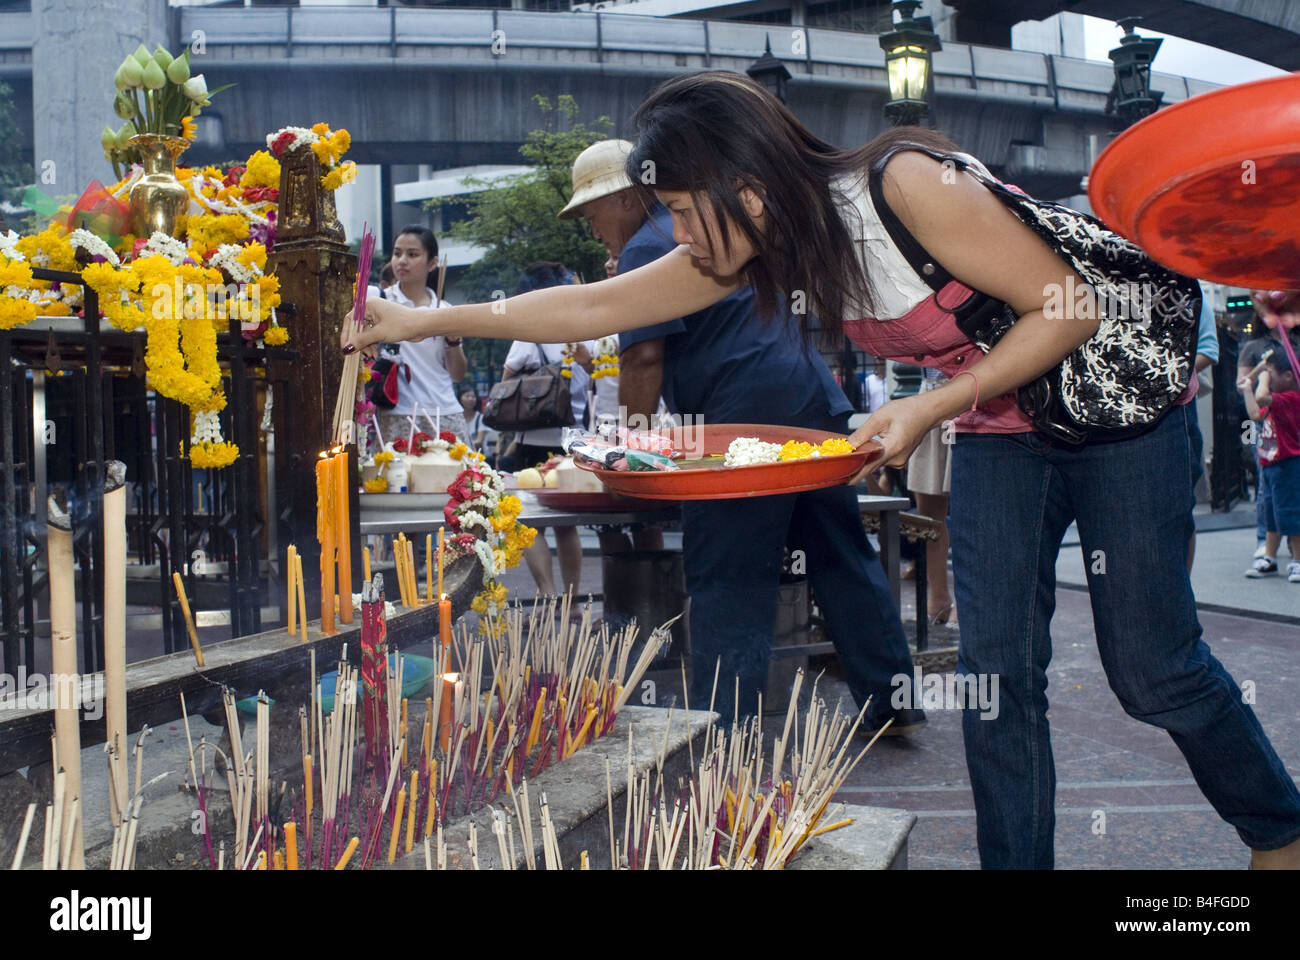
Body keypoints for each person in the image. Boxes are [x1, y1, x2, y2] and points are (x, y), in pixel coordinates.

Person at [343, 71, 1300, 870]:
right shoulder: (759, 248)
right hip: (1002, 426)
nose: (675, 234)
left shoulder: (903, 186)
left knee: (1152, 670)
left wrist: (926, 404)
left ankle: (1278, 828)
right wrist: (418, 319)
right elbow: (588, 308)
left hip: (1120, 408)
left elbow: (1071, 306)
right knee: (996, 675)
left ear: (744, 188)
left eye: (680, 209)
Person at [559, 138, 921, 732]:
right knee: (839, 556)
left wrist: (627, 456)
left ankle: (721, 728)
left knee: (729, 573)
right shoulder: (697, 232)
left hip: (743, 428)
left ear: (624, 199)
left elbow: (643, 360)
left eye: (591, 212)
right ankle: (893, 701)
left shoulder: (653, 246)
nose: (591, 227)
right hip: (808, 407)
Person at [499, 262, 597, 598]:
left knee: (530, 522)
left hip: (534, 442)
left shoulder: (531, 334)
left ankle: (549, 595)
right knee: (566, 526)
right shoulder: (588, 331)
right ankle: (570, 602)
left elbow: (506, 386)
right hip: (573, 441)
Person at [368, 225, 467, 444]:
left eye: (412, 254)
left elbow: (458, 375)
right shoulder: (379, 302)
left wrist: (453, 342)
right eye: (397, 253)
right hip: (398, 414)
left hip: (444, 412)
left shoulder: (446, 309)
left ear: (432, 263)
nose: (402, 260)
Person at [1236, 295, 1300, 558]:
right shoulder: (1253, 347)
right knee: (1268, 485)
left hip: (1293, 415)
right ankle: (1266, 539)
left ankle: (1292, 542)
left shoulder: (1296, 343)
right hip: (1269, 419)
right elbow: (1241, 386)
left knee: (1291, 484)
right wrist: (1261, 372)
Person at [1239, 350, 1300, 582]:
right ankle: (1270, 557)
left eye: (1272, 374)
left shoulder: (1291, 399)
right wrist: (1248, 387)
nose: (1269, 378)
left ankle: (1297, 561)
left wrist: (1261, 377)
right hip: (1270, 464)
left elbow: (1262, 397)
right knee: (1272, 514)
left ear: (1287, 376)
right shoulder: (1277, 401)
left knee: (1292, 514)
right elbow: (1255, 414)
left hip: (1289, 464)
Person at [905, 367, 957, 627]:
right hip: (930, 389)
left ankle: (966, 601)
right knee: (928, 514)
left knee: (974, 506)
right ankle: (938, 598)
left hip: (972, 388)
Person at [1187, 282, 1218, 571]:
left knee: (1180, 511)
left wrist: (1162, 371)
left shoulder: (1190, 287)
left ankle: (1182, 588)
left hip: (1177, 412)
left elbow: (1209, 349)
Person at [460, 386, 487, 452]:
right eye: (467, 396)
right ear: (460, 399)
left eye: (473, 396)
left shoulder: (481, 418)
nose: (471, 399)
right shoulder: (457, 418)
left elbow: (479, 441)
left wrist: (461, 447)